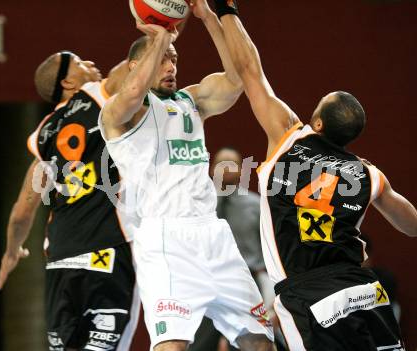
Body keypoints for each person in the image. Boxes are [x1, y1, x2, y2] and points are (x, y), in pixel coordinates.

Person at [215, 0, 417, 350]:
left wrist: (224, 10)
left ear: (319, 122)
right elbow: (411, 225)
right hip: (363, 290)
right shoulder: (369, 174)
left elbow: (249, 68)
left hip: (308, 294)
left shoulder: (287, 139)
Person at [99, 1, 274, 350]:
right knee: (173, 345)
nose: (170, 65)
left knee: (259, 340)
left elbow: (237, 79)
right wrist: (161, 36)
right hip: (165, 240)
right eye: (163, 57)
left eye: (174, 58)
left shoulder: (190, 100)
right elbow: (133, 91)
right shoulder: (117, 114)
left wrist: (209, 18)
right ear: (136, 66)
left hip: (213, 235)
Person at [0, 51, 140, 351]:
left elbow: (23, 210)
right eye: (80, 62)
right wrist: (162, 31)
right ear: (68, 81)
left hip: (61, 260)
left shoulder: (43, 134)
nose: (90, 63)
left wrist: (12, 250)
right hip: (107, 249)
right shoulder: (96, 93)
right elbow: (135, 65)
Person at [190, 147, 277, 351]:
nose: (225, 169)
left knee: (252, 343)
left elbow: (271, 251)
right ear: (211, 169)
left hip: (246, 283)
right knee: (199, 344)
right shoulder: (196, 206)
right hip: (204, 282)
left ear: (241, 171)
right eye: (221, 164)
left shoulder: (257, 206)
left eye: (232, 165)